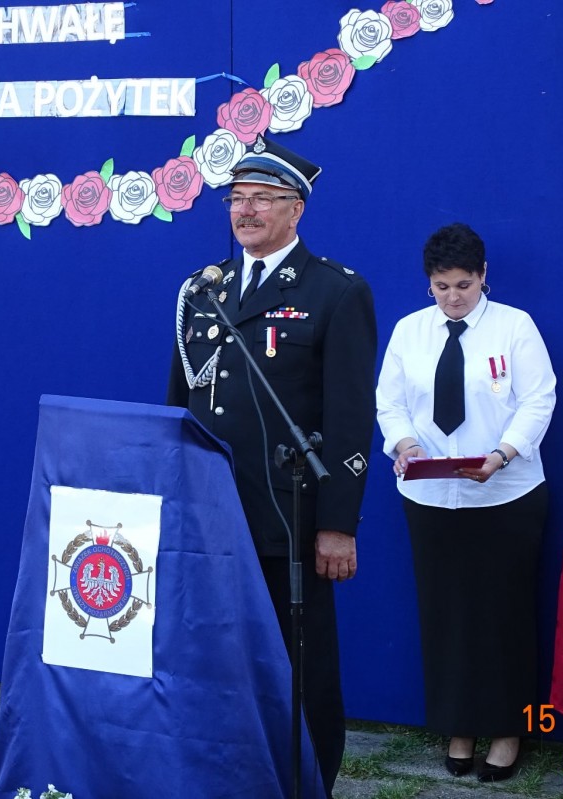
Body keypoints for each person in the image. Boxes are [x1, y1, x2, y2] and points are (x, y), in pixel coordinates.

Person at [167, 136, 377, 797]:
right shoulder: (204, 290)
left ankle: (309, 784)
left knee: (300, 671)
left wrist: (337, 524)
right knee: (214, 661)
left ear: (296, 209)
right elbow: (179, 407)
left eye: (262, 198)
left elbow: (349, 417)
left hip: (289, 520)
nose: (246, 210)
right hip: (210, 516)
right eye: (237, 198)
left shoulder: (335, 291)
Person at [374, 222, 556, 782]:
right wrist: (404, 444)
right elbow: (389, 404)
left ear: (483, 277)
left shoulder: (514, 327)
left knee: (503, 614)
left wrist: (502, 454)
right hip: (430, 498)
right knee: (445, 614)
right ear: (428, 283)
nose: (453, 298)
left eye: (464, 285)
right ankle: (459, 726)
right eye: (441, 287)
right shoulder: (409, 331)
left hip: (505, 495)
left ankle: (506, 730)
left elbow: (538, 399)